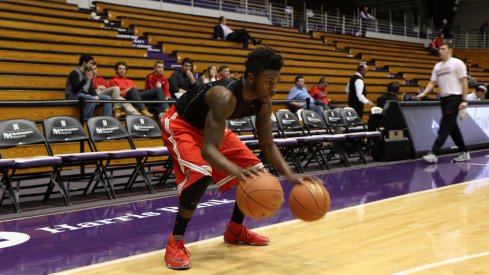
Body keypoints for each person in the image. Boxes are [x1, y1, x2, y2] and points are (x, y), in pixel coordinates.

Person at [160, 47, 316, 270]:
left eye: (277, 82)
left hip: (212, 128)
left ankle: (235, 230)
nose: (274, 88)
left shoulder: (263, 101)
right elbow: (208, 152)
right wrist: (239, 173)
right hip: (181, 125)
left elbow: (268, 145)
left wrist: (292, 176)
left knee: (256, 169)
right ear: (251, 78)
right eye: (269, 82)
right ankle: (176, 241)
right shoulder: (225, 96)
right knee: (202, 172)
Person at [417, 42, 470, 163]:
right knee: (452, 128)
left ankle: (433, 153)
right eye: (439, 49)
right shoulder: (437, 66)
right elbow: (432, 83)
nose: (440, 51)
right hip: (444, 100)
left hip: (455, 98)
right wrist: (423, 93)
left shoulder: (457, 63)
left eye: (443, 49)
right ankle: (464, 152)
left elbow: (464, 82)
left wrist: (464, 100)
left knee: (444, 126)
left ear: (450, 50)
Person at [65, 54, 112, 120]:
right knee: (91, 99)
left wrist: (96, 95)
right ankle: (85, 120)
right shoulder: (74, 73)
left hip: (84, 95)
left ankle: (108, 120)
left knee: (107, 98)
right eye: (90, 63)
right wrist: (85, 79)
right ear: (84, 63)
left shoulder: (88, 73)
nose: (92, 65)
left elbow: (91, 88)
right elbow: (75, 89)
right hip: (72, 95)